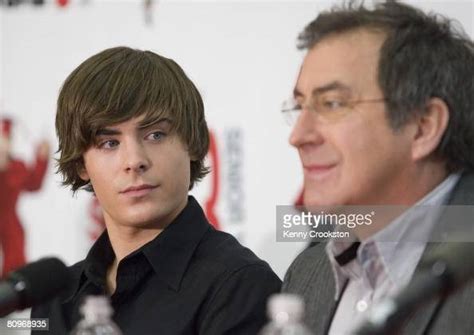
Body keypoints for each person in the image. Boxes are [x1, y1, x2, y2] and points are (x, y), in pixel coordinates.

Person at [31, 47, 281, 334]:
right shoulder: (55, 301)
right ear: (81, 164)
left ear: (195, 144)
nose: (134, 160)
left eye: (155, 135)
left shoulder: (240, 285)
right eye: (109, 143)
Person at [281, 1, 474, 334]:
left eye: (332, 104)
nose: (298, 136)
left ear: (423, 127)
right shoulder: (306, 275)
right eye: (299, 107)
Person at [0, 117, 49, 277]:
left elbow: (34, 184)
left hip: (10, 223)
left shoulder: (17, 166)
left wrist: (41, 158)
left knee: (14, 266)